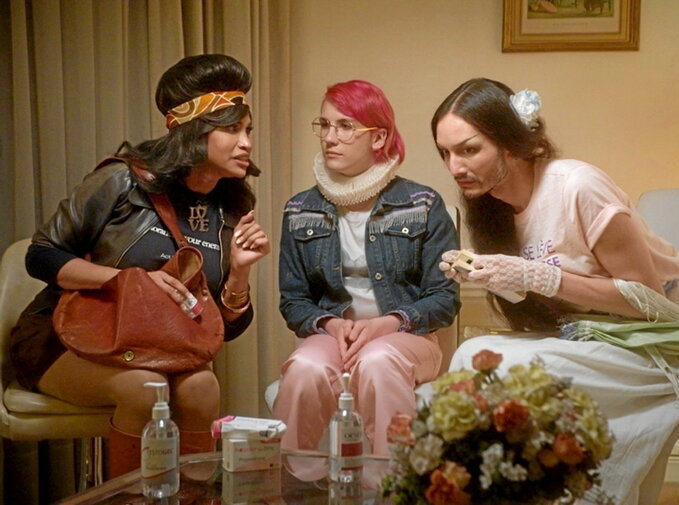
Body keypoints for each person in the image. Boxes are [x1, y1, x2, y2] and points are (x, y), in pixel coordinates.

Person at [433, 78, 679, 505]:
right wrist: (494, 278)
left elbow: (649, 301)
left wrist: (537, 277)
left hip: (660, 340)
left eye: (469, 150)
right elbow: (545, 299)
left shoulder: (578, 186)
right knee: (472, 357)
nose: (455, 167)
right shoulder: (491, 207)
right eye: (445, 153)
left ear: (511, 144)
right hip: (585, 333)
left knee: (517, 370)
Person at [10, 54, 270, 477]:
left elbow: (226, 328)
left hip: (159, 346)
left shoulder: (231, 207)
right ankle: (131, 499)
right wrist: (130, 281)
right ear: (194, 130)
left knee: (203, 385)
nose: (246, 143)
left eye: (248, 130)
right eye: (232, 129)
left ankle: (194, 498)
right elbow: (41, 254)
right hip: (65, 335)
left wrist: (240, 271)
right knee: (146, 388)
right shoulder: (122, 181)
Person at [273, 80, 460, 456]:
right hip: (333, 339)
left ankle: (389, 482)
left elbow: (444, 298)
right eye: (324, 125)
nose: (330, 137)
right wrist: (331, 324)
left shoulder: (422, 204)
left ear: (378, 137)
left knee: (377, 361)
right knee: (304, 368)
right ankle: (293, 480)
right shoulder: (300, 210)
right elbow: (293, 301)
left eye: (345, 126)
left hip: (407, 338)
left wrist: (387, 323)